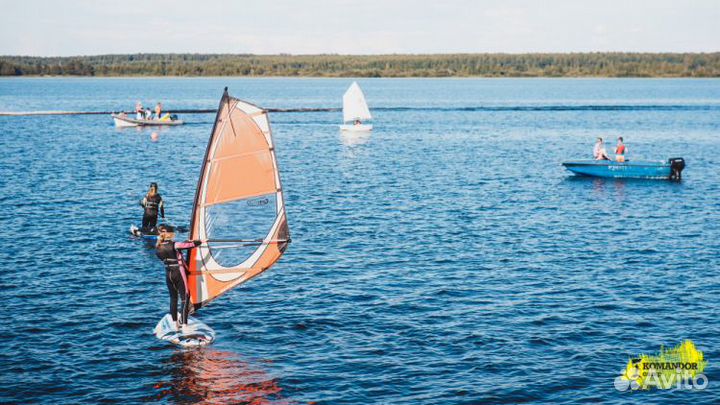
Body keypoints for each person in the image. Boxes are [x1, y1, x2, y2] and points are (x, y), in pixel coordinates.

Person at [155, 225, 203, 330]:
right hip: (179, 273)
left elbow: (181, 246)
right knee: (185, 298)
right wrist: (201, 241)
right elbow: (191, 245)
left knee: (173, 298)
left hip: (168, 274)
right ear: (170, 234)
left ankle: (175, 324)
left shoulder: (158, 247)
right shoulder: (175, 245)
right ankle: (185, 324)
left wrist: (186, 242)